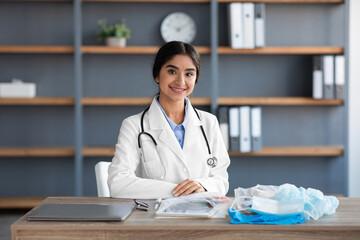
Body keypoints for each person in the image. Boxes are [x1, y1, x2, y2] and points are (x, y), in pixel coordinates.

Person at [108, 41, 230, 199]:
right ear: (157, 75)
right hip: (153, 218)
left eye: (189, 74)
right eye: (172, 71)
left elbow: (221, 180)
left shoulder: (209, 122)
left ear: (196, 79)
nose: (180, 81)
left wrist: (202, 185)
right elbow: (118, 184)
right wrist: (178, 191)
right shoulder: (134, 125)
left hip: (200, 216)